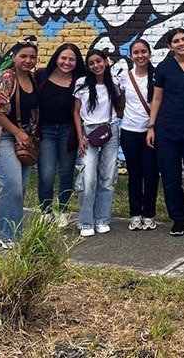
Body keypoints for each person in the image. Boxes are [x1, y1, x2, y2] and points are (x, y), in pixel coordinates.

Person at [0, 36, 39, 249]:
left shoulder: (32, 80)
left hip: (22, 138)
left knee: (17, 187)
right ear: (14, 57)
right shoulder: (5, 77)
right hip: (1, 136)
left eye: (32, 57)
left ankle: (1, 225)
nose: (28, 60)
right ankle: (11, 236)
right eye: (23, 56)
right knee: (13, 185)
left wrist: (29, 134)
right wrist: (18, 132)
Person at [146, 28, 184, 236]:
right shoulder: (163, 68)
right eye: (176, 41)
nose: (181, 43)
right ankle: (178, 218)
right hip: (167, 130)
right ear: (170, 46)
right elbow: (156, 99)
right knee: (171, 177)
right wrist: (151, 127)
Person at [36, 43, 86, 228]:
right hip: (46, 131)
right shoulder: (41, 75)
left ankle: (63, 210)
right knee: (46, 173)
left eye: (71, 59)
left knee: (66, 172)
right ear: (56, 58)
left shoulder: (80, 80)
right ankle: (46, 211)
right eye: (63, 58)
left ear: (77, 62)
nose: (67, 62)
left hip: (68, 130)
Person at [73, 49, 121, 237]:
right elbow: (76, 112)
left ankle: (102, 219)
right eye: (91, 63)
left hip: (110, 130)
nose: (96, 66)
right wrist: (79, 137)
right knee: (88, 178)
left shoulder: (113, 83)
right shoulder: (82, 84)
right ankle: (85, 221)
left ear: (105, 62)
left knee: (108, 178)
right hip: (88, 132)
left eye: (99, 61)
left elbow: (120, 105)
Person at [118, 39, 159, 232]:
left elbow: (160, 102)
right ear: (131, 55)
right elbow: (120, 103)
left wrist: (153, 125)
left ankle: (149, 214)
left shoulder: (157, 76)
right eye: (136, 52)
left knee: (151, 174)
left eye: (143, 52)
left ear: (149, 53)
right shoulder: (124, 77)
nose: (140, 56)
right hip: (129, 132)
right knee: (134, 174)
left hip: (150, 132)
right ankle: (135, 214)